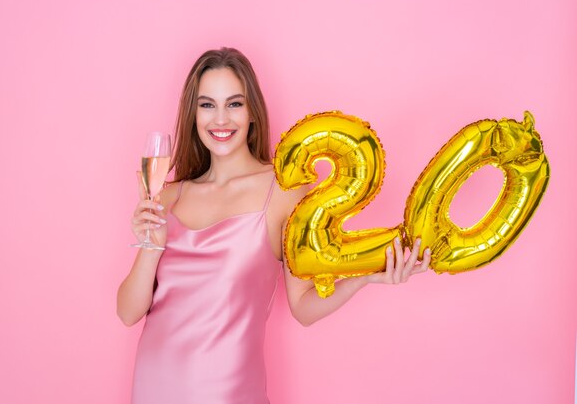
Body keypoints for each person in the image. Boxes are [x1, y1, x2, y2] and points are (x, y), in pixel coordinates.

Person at [117, 47, 431, 404]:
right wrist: (149, 245)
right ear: (193, 114)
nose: (221, 119)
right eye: (207, 105)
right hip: (154, 385)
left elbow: (303, 308)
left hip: (228, 393)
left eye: (234, 104)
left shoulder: (283, 192)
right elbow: (128, 313)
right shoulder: (167, 195)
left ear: (252, 112)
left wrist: (368, 276)